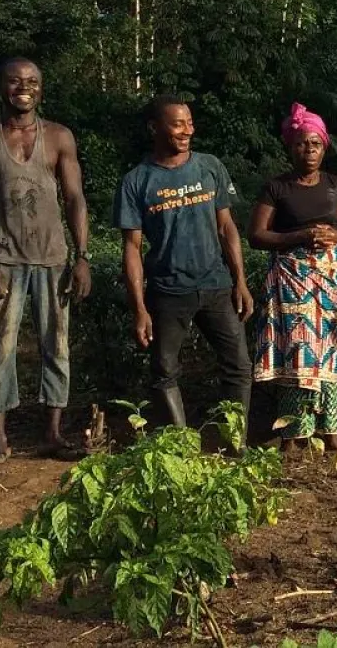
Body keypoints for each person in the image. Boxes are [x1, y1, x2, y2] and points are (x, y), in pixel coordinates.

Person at [0, 57, 92, 466]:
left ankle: (52, 434)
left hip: (53, 258)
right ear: (2, 87)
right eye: (15, 81)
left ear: (41, 88)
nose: (24, 88)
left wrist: (82, 256)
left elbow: (74, 198)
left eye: (32, 81)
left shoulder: (59, 137)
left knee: (57, 345)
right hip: (3, 259)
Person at [115, 95, 254, 432]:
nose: (187, 130)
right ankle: (178, 446)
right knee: (164, 371)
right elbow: (132, 248)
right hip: (168, 291)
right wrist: (139, 309)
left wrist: (240, 281)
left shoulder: (210, 166)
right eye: (178, 124)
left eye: (190, 123)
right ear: (155, 128)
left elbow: (226, 227)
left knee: (239, 367)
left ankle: (234, 444)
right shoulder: (136, 181)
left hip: (217, 286)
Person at [248, 103, 337, 453]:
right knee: (297, 352)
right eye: (301, 144)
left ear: (324, 147)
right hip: (291, 280)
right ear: (290, 148)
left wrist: (335, 236)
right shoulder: (277, 187)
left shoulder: (334, 185)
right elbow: (257, 235)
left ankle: (330, 430)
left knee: (330, 351)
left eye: (315, 144)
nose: (309, 150)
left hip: (328, 282)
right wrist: (299, 236)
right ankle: (293, 433)